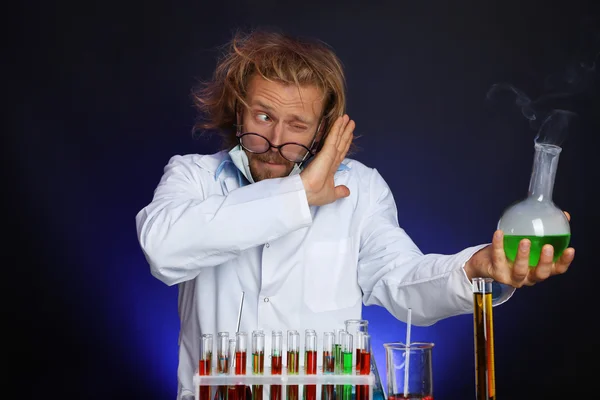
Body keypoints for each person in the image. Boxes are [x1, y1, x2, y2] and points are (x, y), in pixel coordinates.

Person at [135, 28, 575, 400]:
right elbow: (164, 250)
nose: (274, 138)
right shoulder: (194, 176)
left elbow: (400, 281)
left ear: (324, 128)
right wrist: (300, 194)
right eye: (263, 115)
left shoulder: (360, 187)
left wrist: (474, 269)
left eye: (297, 125)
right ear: (238, 109)